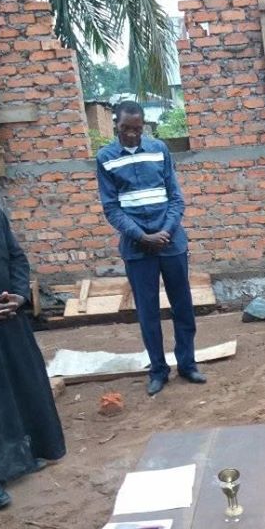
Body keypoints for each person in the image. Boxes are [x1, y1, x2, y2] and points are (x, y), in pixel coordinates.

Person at [96, 101, 205, 396]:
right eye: (126, 128)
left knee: (182, 306)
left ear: (143, 125)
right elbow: (111, 208)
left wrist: (165, 232)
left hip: (170, 242)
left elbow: (176, 198)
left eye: (137, 128)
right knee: (148, 312)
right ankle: (158, 371)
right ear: (116, 124)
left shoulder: (159, 150)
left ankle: (188, 364)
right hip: (137, 247)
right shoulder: (105, 157)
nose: (132, 134)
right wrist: (142, 236)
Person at [0, 197, 65, 510]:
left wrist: (18, 294)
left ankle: (22, 456)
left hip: (9, 318)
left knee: (19, 387)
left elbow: (16, 255)